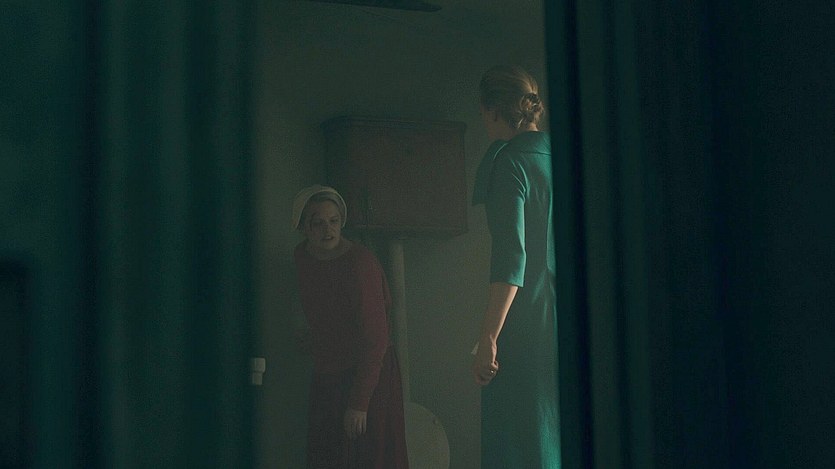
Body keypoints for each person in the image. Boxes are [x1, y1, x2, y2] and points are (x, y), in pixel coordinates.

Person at [470, 65, 560, 468]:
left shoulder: (510, 163)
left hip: (527, 322)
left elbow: (512, 258)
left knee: (522, 438)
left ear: (492, 109)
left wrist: (489, 336)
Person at [291, 184, 409, 469]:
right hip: (330, 371)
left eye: (333, 221)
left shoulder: (359, 264)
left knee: (368, 456)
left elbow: (376, 339)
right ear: (304, 227)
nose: (327, 230)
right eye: (318, 223)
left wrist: (359, 402)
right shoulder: (303, 258)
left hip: (369, 372)